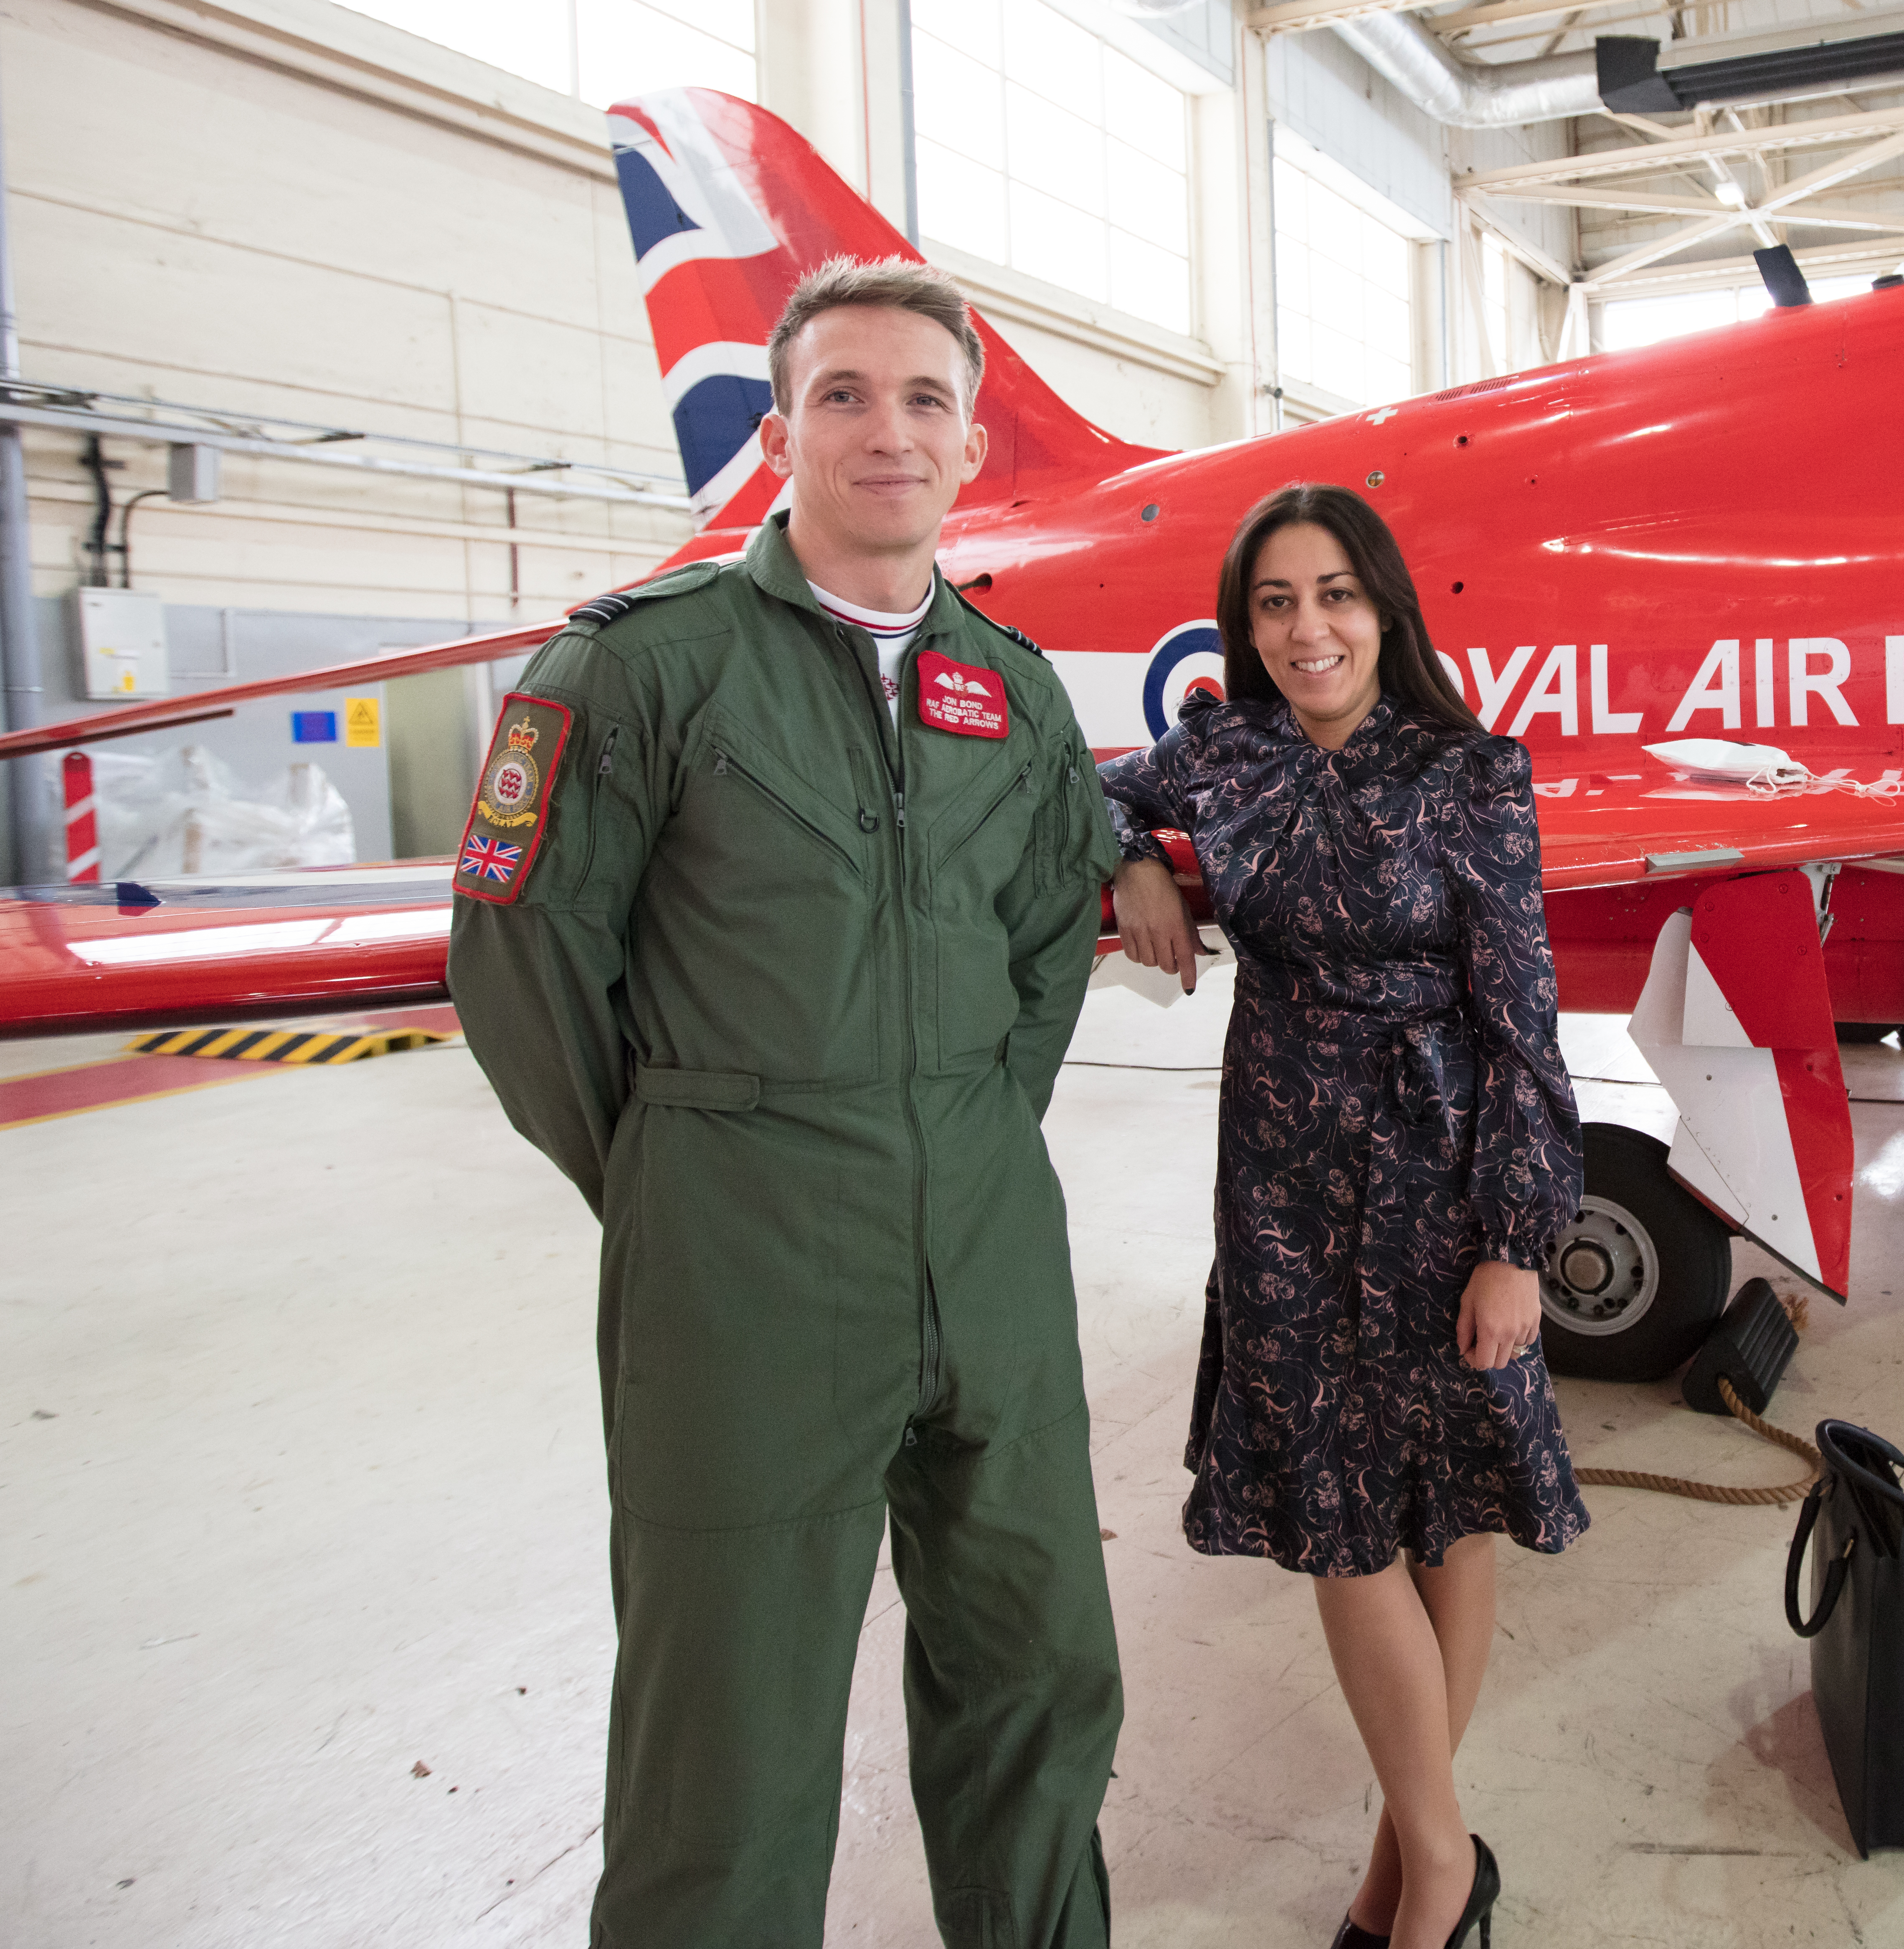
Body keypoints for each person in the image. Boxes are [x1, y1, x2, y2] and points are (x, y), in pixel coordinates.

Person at [447, 256, 1126, 1949]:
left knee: (1041, 1677)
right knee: (727, 1749)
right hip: (737, 1253)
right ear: (781, 432)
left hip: (985, 1234)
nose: (884, 431)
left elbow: (1048, 949)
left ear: (969, 447)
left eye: (921, 400)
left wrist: (951, 1130)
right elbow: (519, 963)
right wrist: (684, 1171)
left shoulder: (1015, 690)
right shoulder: (637, 669)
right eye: (843, 394)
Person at [1104, 483, 1588, 1949]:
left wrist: (1519, 1236)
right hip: (1280, 1165)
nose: (1306, 627)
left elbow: (1523, 1020)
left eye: (1333, 595)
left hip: (1439, 1168)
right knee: (1334, 1517)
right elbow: (1088, 786)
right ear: (1244, 628)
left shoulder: (1467, 771)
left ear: (1383, 608)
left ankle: (1411, 1870)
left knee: (1446, 1504)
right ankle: (1444, 1856)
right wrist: (1132, 861)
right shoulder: (1229, 751)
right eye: (1273, 602)